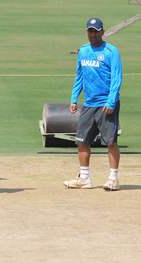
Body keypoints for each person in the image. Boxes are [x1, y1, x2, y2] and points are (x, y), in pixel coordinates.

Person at [64, 18, 122, 191]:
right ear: (86, 32)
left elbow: (116, 79)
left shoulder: (112, 52)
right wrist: (74, 98)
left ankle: (113, 179)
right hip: (89, 104)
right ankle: (84, 178)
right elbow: (79, 76)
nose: (93, 34)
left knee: (110, 142)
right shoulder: (83, 51)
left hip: (106, 104)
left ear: (102, 32)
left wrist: (111, 101)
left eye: (96, 31)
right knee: (82, 141)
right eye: (90, 31)